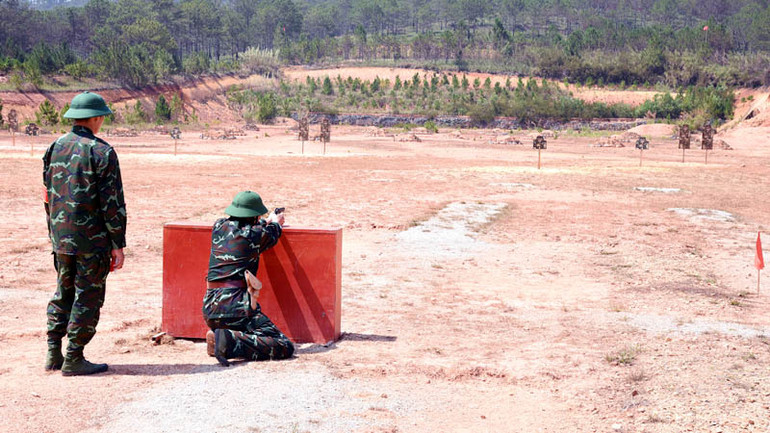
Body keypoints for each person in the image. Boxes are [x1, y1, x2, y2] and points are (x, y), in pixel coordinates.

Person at [42, 91, 126, 376]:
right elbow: (111, 204)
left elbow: (46, 195)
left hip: (61, 238)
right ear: (96, 118)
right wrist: (118, 244)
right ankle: (74, 357)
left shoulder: (54, 147)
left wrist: (54, 232)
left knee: (63, 291)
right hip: (92, 241)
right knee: (87, 296)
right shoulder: (102, 152)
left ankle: (53, 352)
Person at [202, 191, 294, 366]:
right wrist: (275, 221)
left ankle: (222, 336)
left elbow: (247, 227)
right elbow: (273, 231)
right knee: (283, 345)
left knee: (245, 330)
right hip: (237, 307)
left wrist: (263, 221)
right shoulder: (255, 234)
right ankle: (228, 341)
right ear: (254, 216)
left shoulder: (218, 226)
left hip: (210, 307)